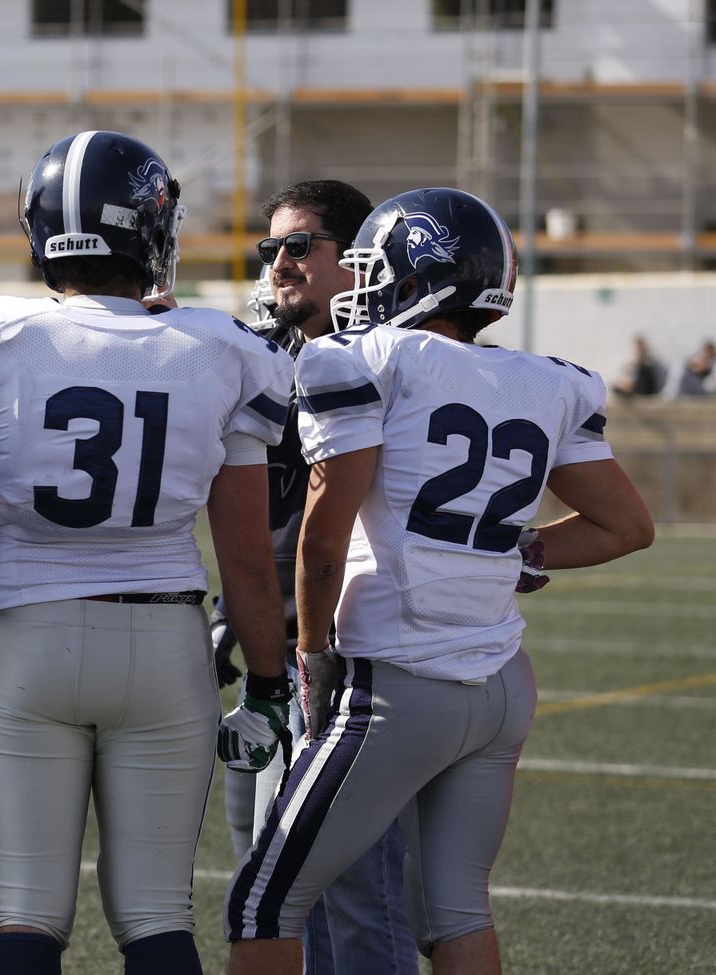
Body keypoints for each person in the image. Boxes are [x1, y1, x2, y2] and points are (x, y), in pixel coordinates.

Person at [224, 187, 655, 974]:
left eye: (371, 269)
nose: (360, 286)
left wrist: (311, 653)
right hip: (500, 687)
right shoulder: (551, 380)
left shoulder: (368, 361)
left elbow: (322, 541)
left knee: (263, 901)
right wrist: (514, 551)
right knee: (457, 915)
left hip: (397, 680)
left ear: (415, 275)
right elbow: (627, 527)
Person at [0, 130, 292, 975]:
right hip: (165, 647)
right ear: (149, 229)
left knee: (28, 915)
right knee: (157, 916)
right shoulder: (222, 349)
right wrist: (267, 681)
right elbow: (250, 564)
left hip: (30, 643)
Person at [213, 179, 418, 974]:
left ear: (357, 259)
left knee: (359, 904)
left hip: (350, 662)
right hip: (272, 660)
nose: (280, 264)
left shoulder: (393, 364)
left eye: (300, 246)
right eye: (271, 249)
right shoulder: (266, 356)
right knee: (267, 891)